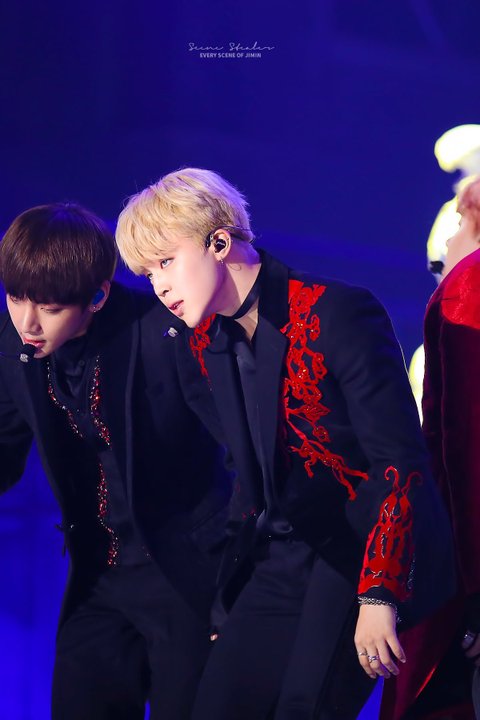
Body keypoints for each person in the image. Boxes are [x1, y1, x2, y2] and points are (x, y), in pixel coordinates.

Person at [116, 167, 455, 720]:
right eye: (148, 272)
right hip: (279, 553)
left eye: (166, 262)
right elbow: (245, 468)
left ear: (219, 243)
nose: (159, 286)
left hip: (355, 550)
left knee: (305, 705)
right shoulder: (201, 343)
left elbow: (399, 463)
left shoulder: (336, 312)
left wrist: (379, 592)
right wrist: (227, 597)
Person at [0, 202, 232, 720]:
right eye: (15, 298)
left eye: (50, 307)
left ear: (98, 296)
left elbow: (241, 451)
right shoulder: (12, 347)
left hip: (185, 574)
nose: (27, 322)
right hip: (97, 579)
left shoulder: (163, 331)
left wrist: (236, 581)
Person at [381, 177, 480, 719]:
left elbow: (465, 452)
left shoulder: (469, 287)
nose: (447, 241)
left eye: (460, 222)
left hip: (459, 573)